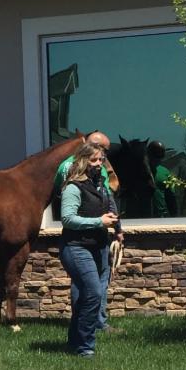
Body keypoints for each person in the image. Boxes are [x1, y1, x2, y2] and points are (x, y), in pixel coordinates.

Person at [52, 131, 121, 330]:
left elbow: (107, 199)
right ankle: (83, 325)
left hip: (99, 239)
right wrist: (99, 221)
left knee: (99, 282)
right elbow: (67, 211)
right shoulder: (69, 170)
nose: (102, 160)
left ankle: (95, 323)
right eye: (100, 153)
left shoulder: (100, 172)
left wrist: (117, 228)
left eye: (103, 156)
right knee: (87, 286)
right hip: (79, 242)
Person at [147, 142, 177, 216]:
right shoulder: (138, 172)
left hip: (160, 217)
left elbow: (171, 198)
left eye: (160, 154)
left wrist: (175, 217)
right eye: (155, 153)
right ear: (148, 154)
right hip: (138, 218)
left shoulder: (166, 172)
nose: (157, 157)